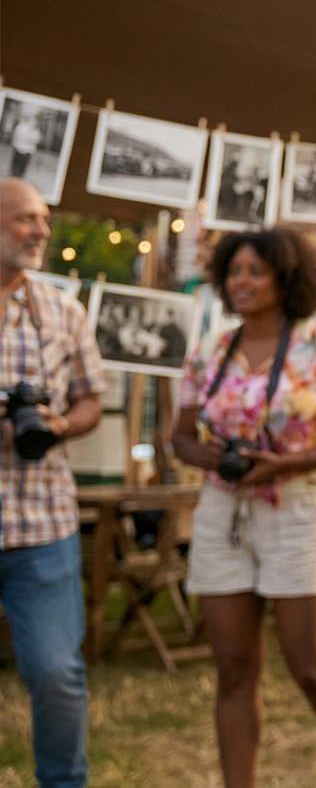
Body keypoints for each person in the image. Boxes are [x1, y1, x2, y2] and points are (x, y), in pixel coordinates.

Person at [171, 228, 316, 787]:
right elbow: (180, 436)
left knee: (308, 664)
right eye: (235, 272)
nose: (242, 282)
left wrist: (283, 464)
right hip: (224, 512)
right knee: (233, 666)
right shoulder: (212, 349)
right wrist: (214, 459)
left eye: (256, 272)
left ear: (288, 278)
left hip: (300, 508)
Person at [0, 178, 106, 788]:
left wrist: (58, 423)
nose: (42, 231)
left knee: (55, 672)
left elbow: (93, 399)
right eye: (25, 220)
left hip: (42, 522)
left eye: (44, 219)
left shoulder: (63, 309)